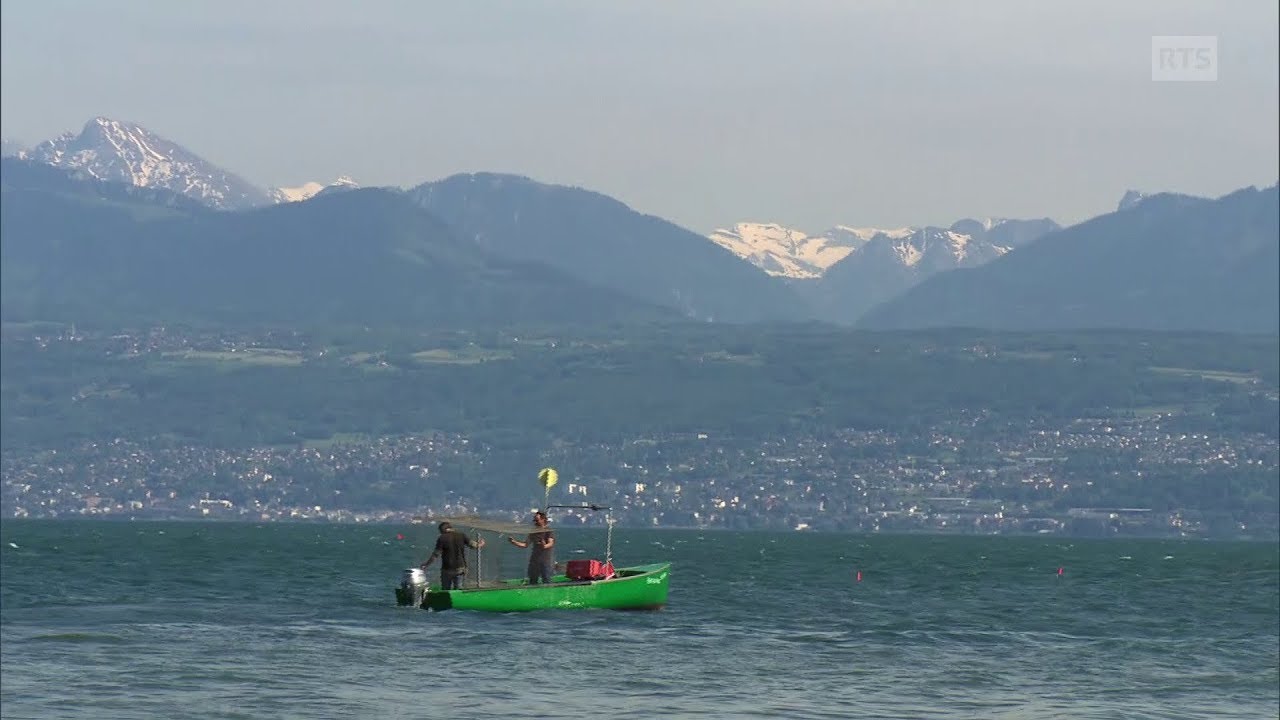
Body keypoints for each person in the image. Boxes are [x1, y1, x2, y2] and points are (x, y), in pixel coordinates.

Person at [420, 521, 484, 591]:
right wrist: (481, 544)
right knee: (458, 590)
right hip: (460, 568)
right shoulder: (461, 535)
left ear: (443, 529)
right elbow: (474, 545)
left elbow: (435, 555)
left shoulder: (442, 538)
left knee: (445, 591)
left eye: (440, 531)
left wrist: (426, 564)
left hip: (447, 569)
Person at [509, 510, 555, 584]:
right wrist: (514, 542)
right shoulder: (533, 532)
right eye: (534, 520)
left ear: (543, 519)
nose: (535, 522)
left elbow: (551, 543)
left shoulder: (548, 531)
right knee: (533, 580)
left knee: (546, 579)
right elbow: (525, 545)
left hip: (545, 561)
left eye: (537, 520)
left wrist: (544, 546)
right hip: (534, 560)